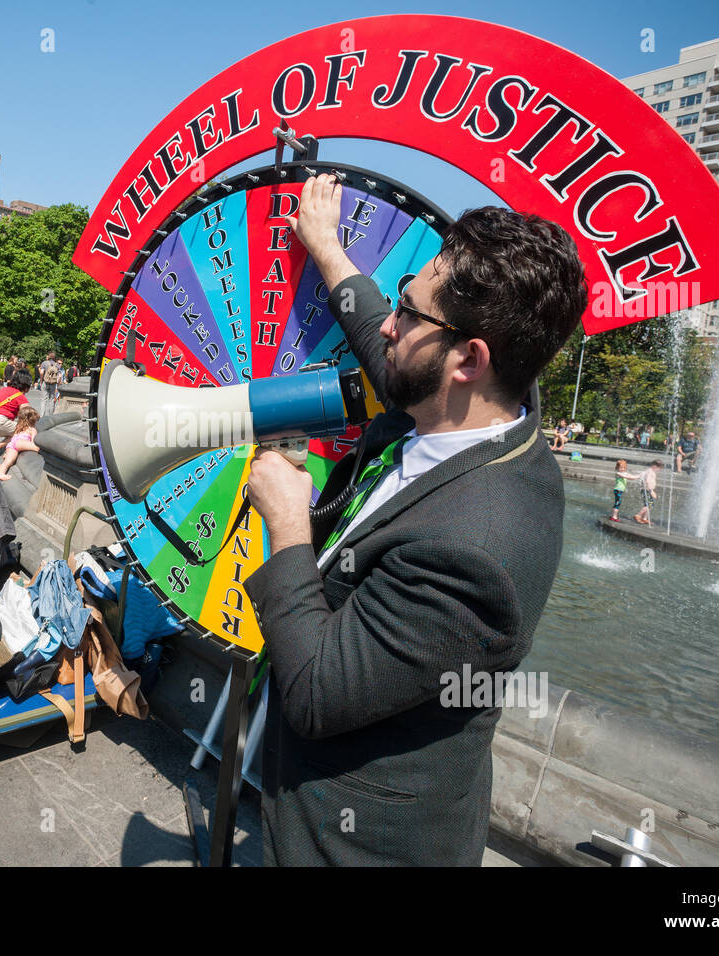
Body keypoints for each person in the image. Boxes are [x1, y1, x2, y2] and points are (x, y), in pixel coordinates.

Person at [242, 175, 588, 865]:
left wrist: (287, 528)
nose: (391, 325)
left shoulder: (477, 550)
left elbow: (313, 693)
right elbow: (385, 347)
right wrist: (329, 252)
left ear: (469, 359)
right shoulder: (474, 412)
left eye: (409, 310)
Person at [0, 370, 33, 451]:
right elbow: (29, 413)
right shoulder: (20, 396)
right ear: (26, 385)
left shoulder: (3, 390)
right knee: (23, 430)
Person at [0, 405, 40, 481]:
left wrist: (7, 451)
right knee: (37, 448)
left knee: (9, 461)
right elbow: (33, 442)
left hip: (12, 444)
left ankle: (0, 472)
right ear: (33, 420)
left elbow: (13, 437)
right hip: (20, 443)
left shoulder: (18, 426)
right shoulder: (32, 429)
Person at [632, 460, 663, 525]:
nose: (659, 470)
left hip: (647, 490)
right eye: (659, 469)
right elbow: (647, 481)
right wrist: (651, 491)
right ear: (655, 466)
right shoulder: (650, 472)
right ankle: (638, 515)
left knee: (650, 505)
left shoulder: (649, 471)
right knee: (649, 505)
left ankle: (644, 518)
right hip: (647, 490)